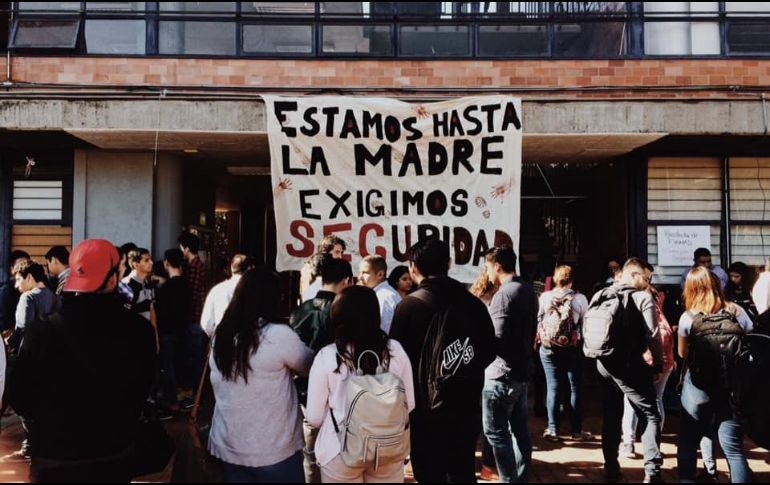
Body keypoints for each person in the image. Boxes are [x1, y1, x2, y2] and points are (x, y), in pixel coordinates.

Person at [8, 239, 156, 482]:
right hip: (114, 454)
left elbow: (20, 397)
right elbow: (142, 387)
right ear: (111, 279)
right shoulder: (139, 331)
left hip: (54, 458)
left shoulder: (43, 331)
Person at [390, 238, 495, 483]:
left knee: (429, 473)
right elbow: (489, 350)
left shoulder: (408, 307)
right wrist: (462, 368)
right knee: (462, 471)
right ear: (449, 263)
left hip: (424, 411)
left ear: (413, 267)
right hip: (465, 405)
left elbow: (395, 361)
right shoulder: (473, 303)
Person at [209, 268, 313, 483]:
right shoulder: (278, 335)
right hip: (274, 449)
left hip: (228, 443)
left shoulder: (221, 334)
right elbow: (308, 365)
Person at [306, 286, 415, 483]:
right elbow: (410, 404)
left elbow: (314, 417)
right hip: (387, 448)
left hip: (339, 449)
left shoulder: (328, 356)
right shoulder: (395, 351)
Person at [677, 266, 753, 484]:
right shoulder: (736, 311)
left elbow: (683, 354)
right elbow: (750, 340)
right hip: (731, 386)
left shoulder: (687, 317)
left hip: (698, 388)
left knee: (689, 439)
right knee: (734, 448)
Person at [591, 258, 664, 483]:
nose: (649, 283)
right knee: (650, 415)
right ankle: (652, 472)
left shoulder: (600, 294)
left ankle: (611, 467)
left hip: (604, 362)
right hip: (629, 363)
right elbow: (653, 335)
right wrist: (658, 364)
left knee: (611, 415)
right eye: (646, 278)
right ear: (633, 275)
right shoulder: (642, 297)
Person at [290, 256, 353, 483]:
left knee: (310, 451)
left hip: (306, 392)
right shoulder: (345, 311)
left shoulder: (300, 310)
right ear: (347, 281)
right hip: (341, 390)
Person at [482, 246, 539, 483]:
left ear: (496, 266)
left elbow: (496, 339)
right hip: (521, 372)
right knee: (520, 432)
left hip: (501, 374)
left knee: (497, 433)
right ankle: (520, 478)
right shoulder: (527, 290)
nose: (486, 272)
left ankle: (508, 479)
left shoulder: (504, 295)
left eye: (487, 267)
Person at [620, 270, 676, 459]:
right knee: (657, 400)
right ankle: (655, 443)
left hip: (644, 361)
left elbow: (650, 338)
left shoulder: (639, 310)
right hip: (666, 361)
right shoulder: (662, 314)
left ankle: (628, 442)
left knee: (631, 400)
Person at [537, 264, 591, 443]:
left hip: (549, 347)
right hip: (572, 348)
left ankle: (553, 429)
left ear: (555, 279)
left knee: (552, 387)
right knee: (575, 388)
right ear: (572, 280)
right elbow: (585, 322)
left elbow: (539, 319)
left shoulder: (545, 297)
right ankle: (576, 430)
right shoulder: (580, 298)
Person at [469, 267, 500, 482]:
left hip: (473, 366)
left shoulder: (472, 301)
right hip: (490, 365)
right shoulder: (497, 301)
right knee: (491, 420)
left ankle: (469, 462)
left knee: (474, 419)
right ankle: (488, 465)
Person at [153, 249, 192, 411]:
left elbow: (160, 311)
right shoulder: (186, 284)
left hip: (167, 331)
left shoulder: (165, 287)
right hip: (184, 329)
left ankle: (172, 400)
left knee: (168, 365)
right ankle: (185, 397)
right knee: (182, 362)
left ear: (166, 263)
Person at [179, 232, 209, 398]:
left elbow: (192, 291)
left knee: (194, 356)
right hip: (196, 317)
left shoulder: (195, 266)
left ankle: (195, 393)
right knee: (195, 355)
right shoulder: (198, 265)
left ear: (187, 248)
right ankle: (196, 391)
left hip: (194, 317)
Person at [6, 260, 58, 354]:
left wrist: (9, 344)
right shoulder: (56, 297)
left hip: (30, 355)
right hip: (53, 354)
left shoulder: (27, 297)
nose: (16, 285)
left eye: (18, 279)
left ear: (29, 277)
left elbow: (22, 329)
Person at [200, 254, 254, 338]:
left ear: (231, 268)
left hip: (221, 340)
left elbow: (206, 323)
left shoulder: (216, 290)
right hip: (246, 342)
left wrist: (216, 335)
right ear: (249, 269)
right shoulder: (253, 290)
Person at [358, 255, 402, 334]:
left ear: (380, 274)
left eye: (365, 273)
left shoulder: (384, 297)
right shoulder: (379, 294)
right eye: (360, 272)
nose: (360, 277)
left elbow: (384, 332)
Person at [302, 236, 346, 303]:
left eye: (341, 253)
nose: (340, 256)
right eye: (337, 252)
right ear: (325, 252)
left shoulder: (334, 270)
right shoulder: (312, 269)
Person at [122, 248, 156, 322]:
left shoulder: (149, 283)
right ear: (136, 264)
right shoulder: (127, 284)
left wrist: (155, 332)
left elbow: (152, 311)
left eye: (151, 259)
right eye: (146, 260)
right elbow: (123, 314)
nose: (151, 262)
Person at [1, 250, 30, 333]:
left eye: (26, 265)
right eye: (19, 266)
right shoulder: (5, 292)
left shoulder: (33, 287)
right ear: (12, 269)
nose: (23, 269)